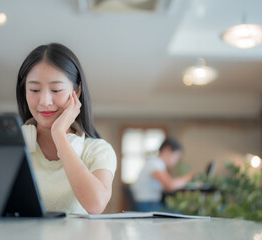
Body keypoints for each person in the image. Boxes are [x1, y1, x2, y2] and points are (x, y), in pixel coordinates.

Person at [16, 43, 117, 214]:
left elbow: (95, 205)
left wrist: (59, 135)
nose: (44, 101)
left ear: (76, 91)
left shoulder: (98, 150)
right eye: (34, 89)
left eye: (56, 89)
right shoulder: (14, 146)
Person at [131, 137, 194, 212]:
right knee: (179, 213)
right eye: (176, 157)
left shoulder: (157, 163)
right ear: (167, 150)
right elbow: (170, 185)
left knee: (177, 211)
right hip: (146, 205)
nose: (175, 162)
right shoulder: (155, 163)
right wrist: (189, 177)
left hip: (149, 203)